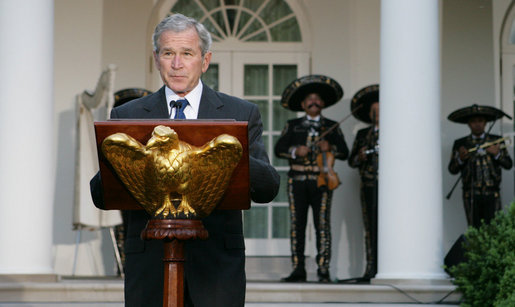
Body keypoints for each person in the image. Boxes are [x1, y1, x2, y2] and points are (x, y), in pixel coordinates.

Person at [90, 13, 280, 307]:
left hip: (217, 268)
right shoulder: (127, 115)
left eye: (187, 54)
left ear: (204, 60)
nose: (177, 64)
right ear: (156, 58)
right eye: (168, 53)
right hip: (150, 265)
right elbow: (100, 194)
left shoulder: (240, 113)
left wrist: (230, 147)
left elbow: (268, 188)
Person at [274, 75, 349, 283]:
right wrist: (296, 150)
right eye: (309, 99)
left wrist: (331, 147)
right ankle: (298, 269)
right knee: (297, 225)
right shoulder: (293, 124)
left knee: (322, 225)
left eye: (317, 99)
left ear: (323, 103)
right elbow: (278, 149)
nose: (313, 102)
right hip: (296, 180)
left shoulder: (332, 126)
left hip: (322, 180)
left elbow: (345, 152)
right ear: (303, 104)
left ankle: (323, 270)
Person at [447, 104, 512, 228]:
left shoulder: (496, 140)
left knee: (494, 229)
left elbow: (509, 164)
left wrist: (497, 154)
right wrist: (460, 159)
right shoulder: (461, 143)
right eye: (473, 121)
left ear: (486, 123)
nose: (477, 124)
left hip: (492, 193)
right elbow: (452, 169)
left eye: (480, 121)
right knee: (474, 230)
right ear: (468, 124)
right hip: (470, 194)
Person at [348, 84, 379, 282]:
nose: (378, 114)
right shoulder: (362, 134)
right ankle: (371, 268)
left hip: (394, 191)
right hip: (369, 185)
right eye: (374, 111)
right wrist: (360, 156)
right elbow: (351, 161)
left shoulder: (399, 133)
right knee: (371, 227)